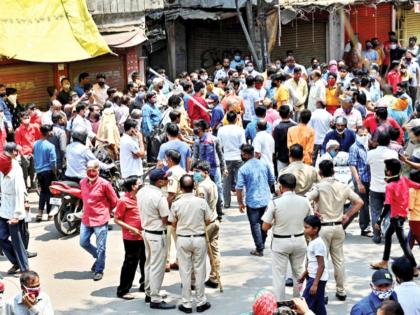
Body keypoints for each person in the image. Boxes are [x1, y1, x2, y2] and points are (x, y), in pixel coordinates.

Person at [307, 160, 363, 301]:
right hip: (338, 226)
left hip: (323, 228)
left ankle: (322, 292)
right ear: (334, 171)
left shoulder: (319, 187)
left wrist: (313, 211)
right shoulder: (343, 186)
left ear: (320, 173)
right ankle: (341, 290)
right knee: (339, 260)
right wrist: (347, 215)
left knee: (321, 261)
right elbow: (359, 202)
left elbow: (306, 199)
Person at [261, 174, 312, 302]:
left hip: (280, 242)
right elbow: (310, 221)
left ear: (281, 186)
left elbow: (265, 227)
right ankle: (299, 302)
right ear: (295, 186)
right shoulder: (305, 201)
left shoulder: (275, 203)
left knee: (279, 276)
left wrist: (276, 222)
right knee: (299, 274)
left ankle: (280, 305)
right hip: (300, 240)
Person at [169, 175, 213, 313]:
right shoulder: (201, 202)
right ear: (194, 186)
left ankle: (186, 303)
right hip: (199, 238)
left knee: (185, 271)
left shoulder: (176, 203)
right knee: (200, 270)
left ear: (180, 188)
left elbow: (173, 223)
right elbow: (208, 220)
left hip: (183, 239)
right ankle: (201, 301)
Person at [371, 159, 419, 275]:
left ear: (389, 171)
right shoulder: (404, 180)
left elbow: (387, 205)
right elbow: (418, 185)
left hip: (396, 218)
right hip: (401, 216)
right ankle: (384, 261)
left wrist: (379, 219)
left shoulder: (390, 186)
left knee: (403, 243)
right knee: (388, 235)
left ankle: (413, 267)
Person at [137, 169, 175, 310]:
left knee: (149, 264)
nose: (167, 181)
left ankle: (149, 292)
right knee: (157, 267)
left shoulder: (142, 191)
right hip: (157, 234)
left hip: (146, 232)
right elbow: (165, 219)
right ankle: (155, 298)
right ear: (159, 181)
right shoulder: (159, 197)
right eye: (166, 179)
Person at [79, 160, 118, 281]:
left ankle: (99, 269)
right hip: (86, 218)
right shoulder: (82, 182)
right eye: (88, 170)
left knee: (101, 246)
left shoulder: (105, 184)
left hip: (100, 219)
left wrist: (106, 211)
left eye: (93, 170)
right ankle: (100, 257)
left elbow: (114, 201)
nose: (91, 173)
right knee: (83, 242)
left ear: (98, 170)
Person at [236, 144, 275, 256]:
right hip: (266, 199)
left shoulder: (243, 169)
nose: (241, 156)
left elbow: (239, 188)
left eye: (242, 154)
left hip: (252, 201)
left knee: (255, 225)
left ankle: (259, 247)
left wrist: (240, 203)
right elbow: (272, 179)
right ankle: (261, 244)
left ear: (247, 155)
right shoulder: (264, 164)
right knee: (264, 223)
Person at [114, 176, 145, 300]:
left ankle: (144, 284)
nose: (141, 184)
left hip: (143, 235)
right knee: (131, 263)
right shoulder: (123, 200)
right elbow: (116, 219)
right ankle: (123, 290)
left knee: (145, 260)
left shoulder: (141, 197)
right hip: (131, 237)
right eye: (139, 183)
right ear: (133, 187)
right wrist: (132, 229)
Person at [0, 143, 29, 275]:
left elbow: (19, 191)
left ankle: (24, 269)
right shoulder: (2, 164)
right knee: (1, 237)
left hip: (15, 209)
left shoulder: (15, 168)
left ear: (13, 153)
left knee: (17, 242)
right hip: (4, 207)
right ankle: (15, 262)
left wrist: (17, 215)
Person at [367, 132, 398, 243]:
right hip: (390, 188)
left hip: (375, 187)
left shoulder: (370, 154)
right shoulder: (393, 154)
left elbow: (367, 165)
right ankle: (386, 231)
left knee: (375, 212)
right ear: (389, 141)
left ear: (377, 141)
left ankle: (376, 236)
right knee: (390, 211)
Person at [193, 161, 220, 289]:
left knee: (198, 254)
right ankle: (215, 277)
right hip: (214, 220)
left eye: (198, 171)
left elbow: (200, 207)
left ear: (206, 173)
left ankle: (194, 281)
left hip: (206, 223)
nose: (195, 174)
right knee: (214, 251)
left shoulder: (202, 188)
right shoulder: (213, 184)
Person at [298, 215, 328, 315]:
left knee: (305, 304)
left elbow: (321, 265)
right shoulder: (313, 242)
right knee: (318, 305)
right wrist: (305, 273)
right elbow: (312, 262)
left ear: (315, 229)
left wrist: (315, 284)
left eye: (307, 227)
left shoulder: (318, 244)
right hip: (314, 277)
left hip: (316, 279)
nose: (304, 229)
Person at [217, 111, 245, 208]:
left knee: (226, 182)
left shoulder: (221, 130)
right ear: (236, 119)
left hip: (226, 158)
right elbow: (243, 145)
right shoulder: (240, 130)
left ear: (227, 119)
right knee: (240, 181)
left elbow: (219, 145)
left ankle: (227, 203)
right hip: (238, 158)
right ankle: (241, 202)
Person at [164, 149, 186, 272]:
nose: (166, 161)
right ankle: (179, 260)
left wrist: (165, 210)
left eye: (167, 159)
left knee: (167, 236)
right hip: (182, 207)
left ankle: (166, 262)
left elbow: (171, 194)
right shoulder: (182, 171)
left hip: (173, 207)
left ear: (170, 160)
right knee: (178, 236)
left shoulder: (171, 172)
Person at [349, 126, 372, 236]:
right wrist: (358, 183)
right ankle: (364, 227)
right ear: (357, 135)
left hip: (369, 180)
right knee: (362, 204)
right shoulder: (354, 147)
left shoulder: (367, 146)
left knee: (362, 203)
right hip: (361, 180)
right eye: (361, 135)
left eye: (365, 134)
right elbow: (353, 166)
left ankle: (342, 224)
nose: (363, 137)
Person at [33, 125, 57, 222]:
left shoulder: (35, 144)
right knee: (50, 193)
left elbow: (35, 158)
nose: (52, 133)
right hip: (48, 172)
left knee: (43, 191)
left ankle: (39, 213)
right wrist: (55, 172)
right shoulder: (50, 146)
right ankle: (50, 214)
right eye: (51, 131)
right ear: (47, 133)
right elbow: (53, 162)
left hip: (39, 172)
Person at [15, 111, 39, 190]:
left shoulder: (34, 127)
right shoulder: (18, 130)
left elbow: (38, 139)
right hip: (24, 153)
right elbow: (17, 144)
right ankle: (24, 187)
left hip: (34, 151)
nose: (26, 119)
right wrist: (22, 155)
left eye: (27, 117)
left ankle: (33, 186)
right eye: (24, 118)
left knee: (34, 171)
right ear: (21, 119)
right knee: (24, 173)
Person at [273, 105, 296, 172]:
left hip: (281, 156)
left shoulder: (277, 128)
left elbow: (276, 145)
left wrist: (274, 156)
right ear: (290, 113)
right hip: (293, 155)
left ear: (279, 114)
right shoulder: (294, 126)